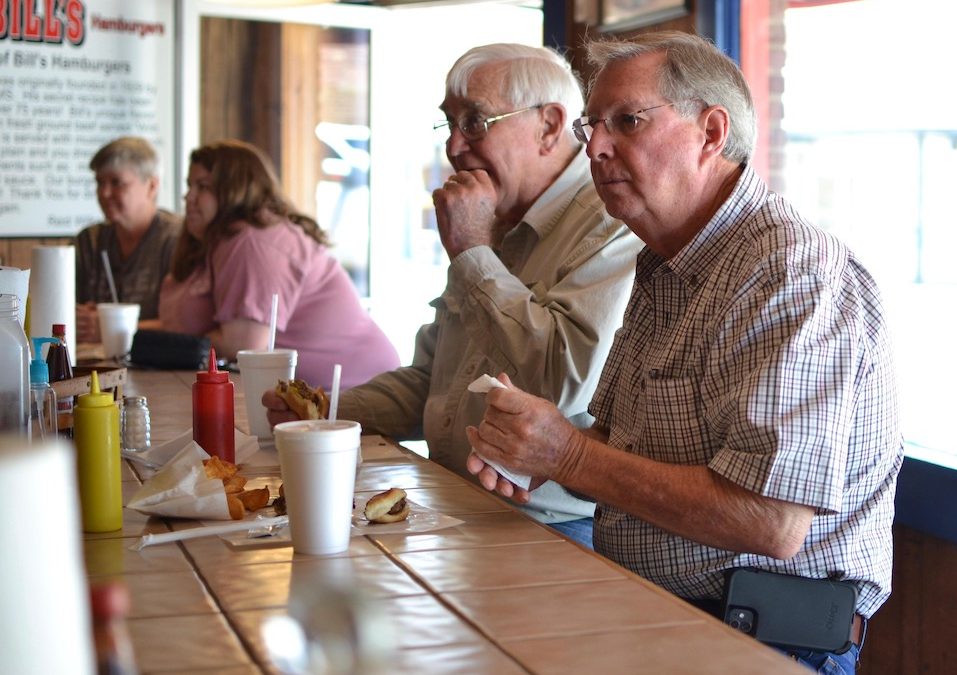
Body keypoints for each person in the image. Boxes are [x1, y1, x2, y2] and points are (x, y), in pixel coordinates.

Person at [464, 32, 903, 674]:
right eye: (593, 127)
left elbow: (770, 519)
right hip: (653, 613)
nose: (598, 148)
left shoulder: (790, 269)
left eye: (628, 121)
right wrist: (537, 457)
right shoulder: (664, 261)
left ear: (711, 131)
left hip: (767, 640)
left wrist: (569, 453)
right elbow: (620, 444)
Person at [263, 43, 641, 548]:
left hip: (551, 525)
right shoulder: (494, 220)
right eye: (450, 124)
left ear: (550, 126)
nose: (455, 147)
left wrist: (471, 253)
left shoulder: (608, 219)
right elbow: (434, 381)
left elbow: (561, 380)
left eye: (477, 122)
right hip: (455, 503)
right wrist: (328, 412)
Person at [158, 139, 399, 390]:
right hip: (326, 393)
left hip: (358, 391)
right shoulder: (227, 241)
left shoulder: (253, 243)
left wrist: (167, 345)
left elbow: (245, 344)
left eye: (202, 186)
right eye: (189, 185)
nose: (188, 196)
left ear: (235, 189)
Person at [75, 137, 182, 342]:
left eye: (117, 183)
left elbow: (186, 324)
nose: (104, 193)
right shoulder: (88, 242)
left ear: (151, 186)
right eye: (99, 183)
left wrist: (108, 327)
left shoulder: (177, 240)